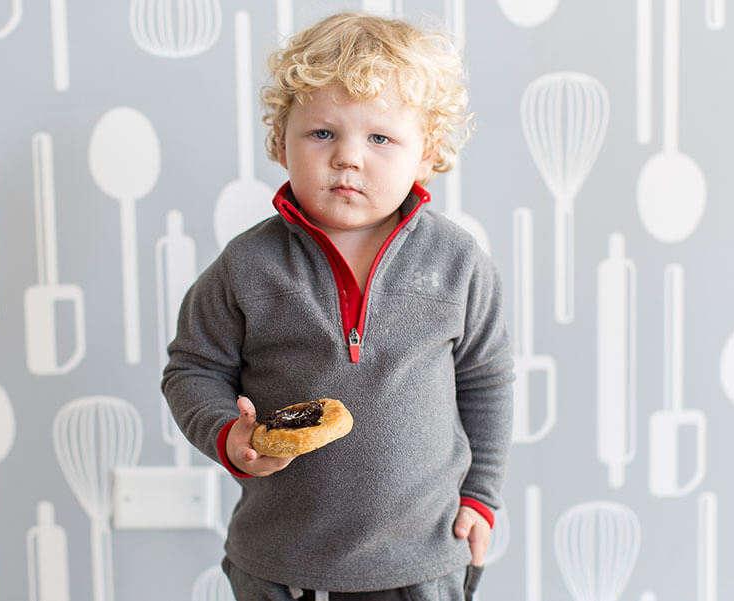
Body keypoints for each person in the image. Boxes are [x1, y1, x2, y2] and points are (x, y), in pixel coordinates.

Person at [162, 12, 514, 601]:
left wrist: (481, 496)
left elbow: (487, 382)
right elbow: (192, 369)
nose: (348, 157)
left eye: (380, 138)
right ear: (281, 141)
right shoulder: (246, 266)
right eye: (323, 133)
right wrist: (228, 437)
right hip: (279, 562)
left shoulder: (458, 264)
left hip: (422, 563)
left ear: (426, 153)